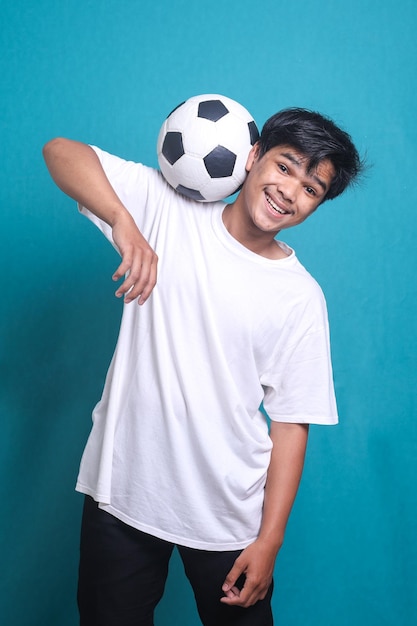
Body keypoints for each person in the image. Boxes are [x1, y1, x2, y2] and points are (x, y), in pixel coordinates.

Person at [43, 107, 363, 626]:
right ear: (253, 156)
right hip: (122, 490)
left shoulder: (300, 297)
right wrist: (125, 222)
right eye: (285, 167)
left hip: (227, 514)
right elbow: (60, 151)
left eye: (311, 189)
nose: (289, 191)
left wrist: (270, 541)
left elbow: (291, 423)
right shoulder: (167, 210)